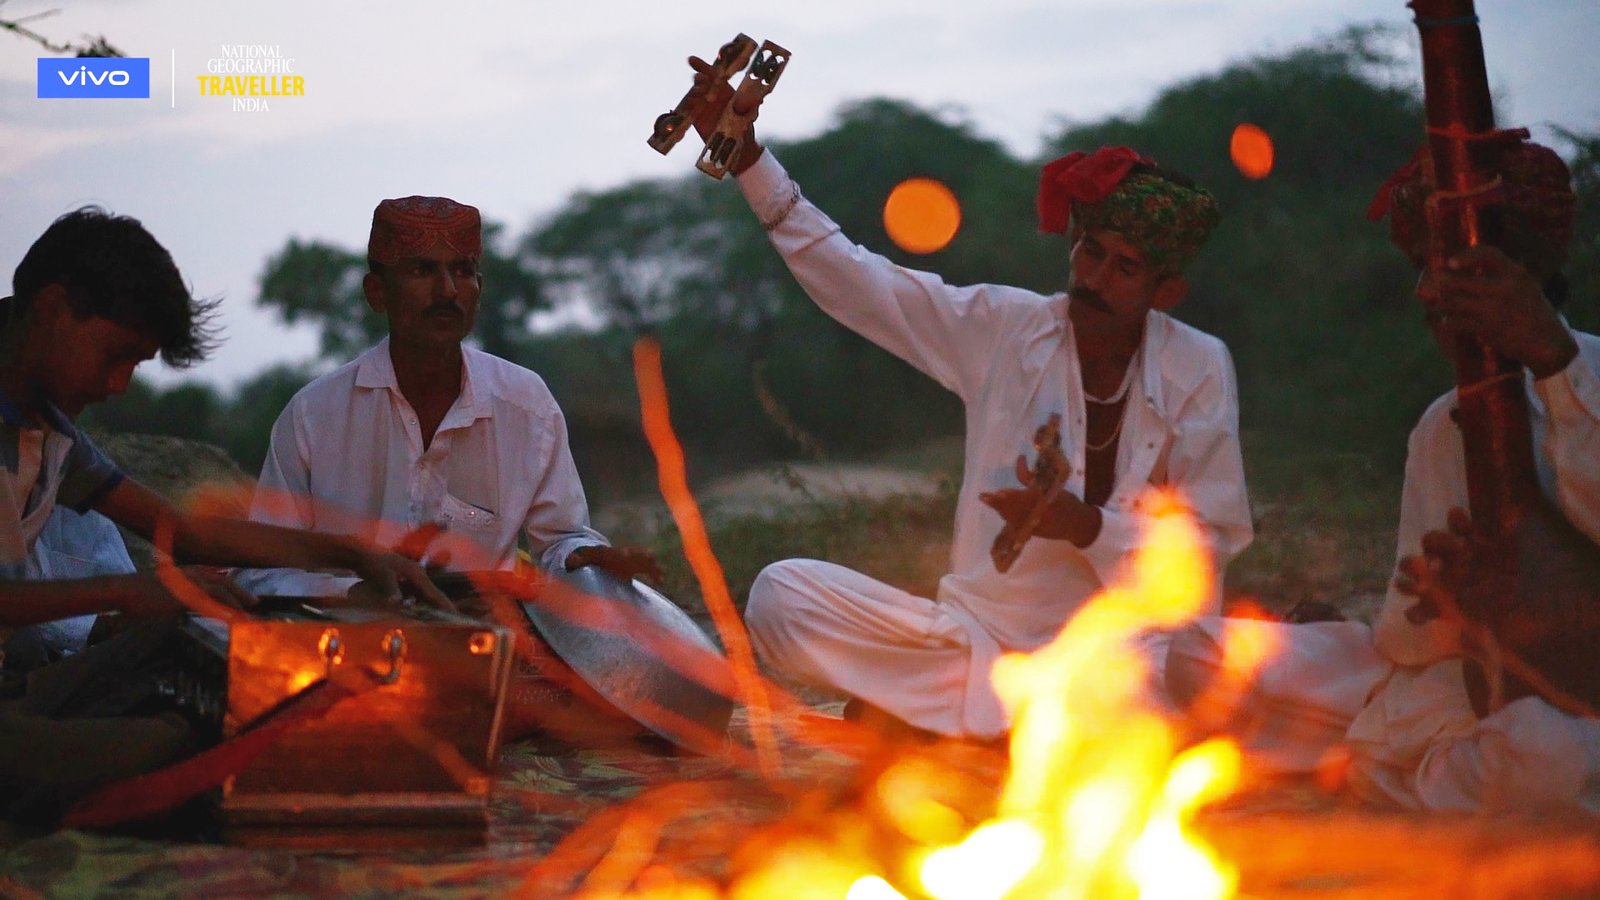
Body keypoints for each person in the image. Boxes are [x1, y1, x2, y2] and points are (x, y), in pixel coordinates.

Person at [687, 65, 1252, 740]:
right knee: (784, 596)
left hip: (1122, 662)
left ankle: (958, 724)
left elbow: (1208, 546)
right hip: (980, 644)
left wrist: (1083, 526)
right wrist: (750, 159)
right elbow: (861, 282)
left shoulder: (1199, 366)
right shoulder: (1006, 329)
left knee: (1206, 677)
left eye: (1124, 268)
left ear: (1166, 292)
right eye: (1089, 252)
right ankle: (991, 725)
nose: (1094, 279)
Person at [1164, 137, 1600, 814]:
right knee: (1194, 654)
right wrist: (1448, 607)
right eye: (1422, 268)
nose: (1427, 291)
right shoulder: (1441, 426)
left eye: (1452, 268)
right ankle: (1403, 771)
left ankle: (1395, 776)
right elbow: (1405, 640)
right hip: (1423, 692)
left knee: (1545, 757)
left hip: (1564, 717)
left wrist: (1553, 362)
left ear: (1525, 271)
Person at [0, 207, 446, 818]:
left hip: (24, 681)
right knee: (191, 741)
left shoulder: (48, 428)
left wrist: (350, 552)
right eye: (116, 355)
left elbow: (180, 534)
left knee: (200, 659)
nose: (120, 384)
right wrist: (132, 592)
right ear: (53, 309)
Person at [239, 196, 659, 598]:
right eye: (422, 271)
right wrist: (353, 594)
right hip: (347, 649)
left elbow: (561, 543)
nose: (447, 291)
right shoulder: (314, 416)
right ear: (377, 292)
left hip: (483, 647)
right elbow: (262, 571)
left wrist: (587, 558)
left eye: (462, 271)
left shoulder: (526, 405)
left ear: (479, 287)